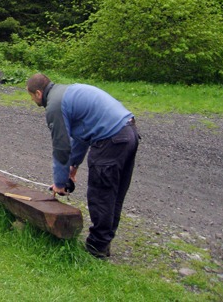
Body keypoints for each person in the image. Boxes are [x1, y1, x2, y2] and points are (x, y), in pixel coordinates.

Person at [26, 72, 140, 259]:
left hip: (110, 139)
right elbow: (82, 136)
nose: (32, 100)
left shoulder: (54, 106)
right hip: (128, 133)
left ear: (38, 93)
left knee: (101, 194)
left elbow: (61, 148)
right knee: (114, 193)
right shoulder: (66, 92)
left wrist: (60, 183)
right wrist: (74, 166)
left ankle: (96, 249)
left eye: (30, 96)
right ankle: (103, 243)